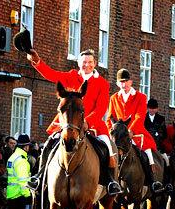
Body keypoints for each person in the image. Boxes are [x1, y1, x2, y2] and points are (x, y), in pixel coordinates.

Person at [25, 48, 121, 195]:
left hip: (93, 124)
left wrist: (87, 122)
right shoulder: (71, 76)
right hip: (69, 124)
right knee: (49, 144)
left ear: (95, 63)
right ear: (78, 63)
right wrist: (37, 61)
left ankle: (110, 182)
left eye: (90, 62)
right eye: (84, 62)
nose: (86, 65)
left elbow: (101, 108)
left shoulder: (102, 83)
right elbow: (51, 74)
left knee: (107, 148)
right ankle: (39, 177)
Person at [108, 68, 163, 192]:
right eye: (121, 82)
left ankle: (153, 181)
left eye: (126, 81)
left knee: (147, 154)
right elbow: (109, 117)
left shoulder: (141, 97)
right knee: (107, 154)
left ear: (131, 82)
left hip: (137, 133)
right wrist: (111, 131)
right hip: (117, 134)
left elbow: (140, 116)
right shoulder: (113, 98)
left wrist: (130, 130)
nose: (124, 84)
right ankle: (109, 182)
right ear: (117, 83)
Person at [6, 134, 32, 209]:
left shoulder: (13, 157)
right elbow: (23, 181)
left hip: (11, 194)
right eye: (28, 146)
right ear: (25, 147)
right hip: (20, 197)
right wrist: (28, 195)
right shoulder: (21, 160)